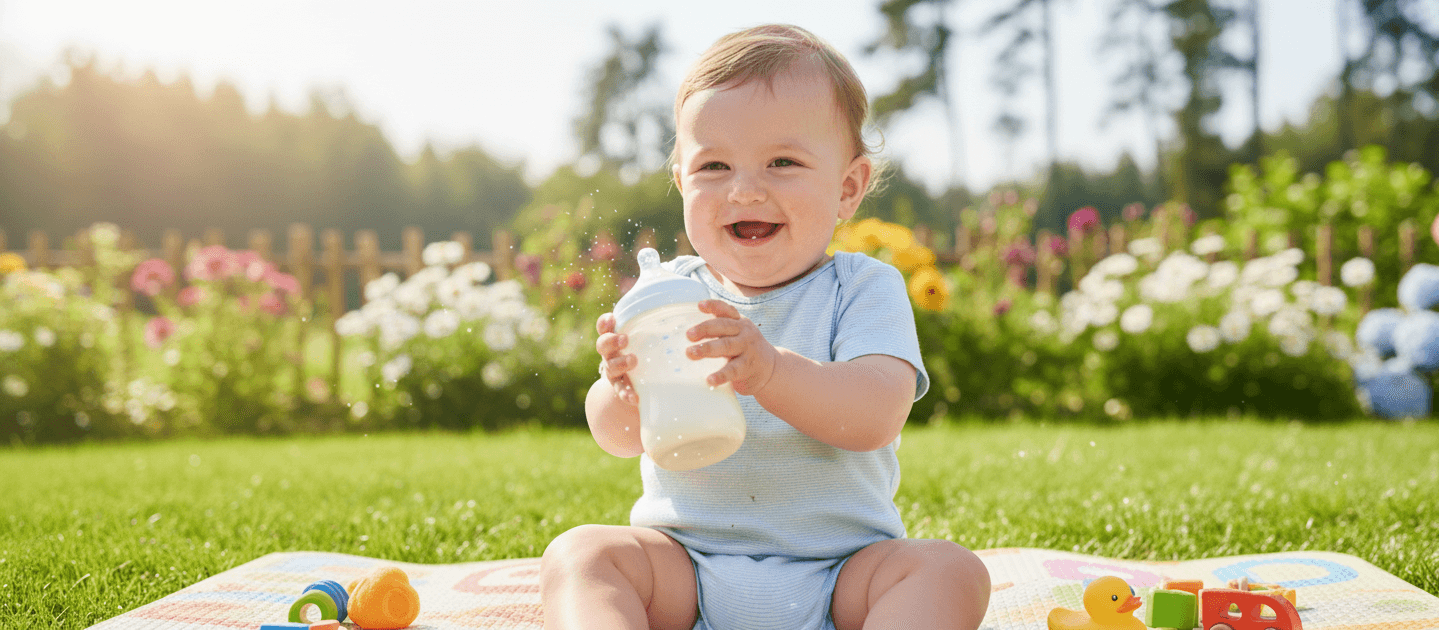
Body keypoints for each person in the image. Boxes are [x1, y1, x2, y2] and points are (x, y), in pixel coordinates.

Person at [540, 24, 991, 630]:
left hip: (841, 574)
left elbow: (875, 415)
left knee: (950, 572)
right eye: (715, 166)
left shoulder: (861, 288)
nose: (744, 189)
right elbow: (618, 436)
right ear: (681, 182)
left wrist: (772, 371)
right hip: (687, 570)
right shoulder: (669, 294)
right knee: (581, 554)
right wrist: (622, 392)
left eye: (783, 162)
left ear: (848, 188)